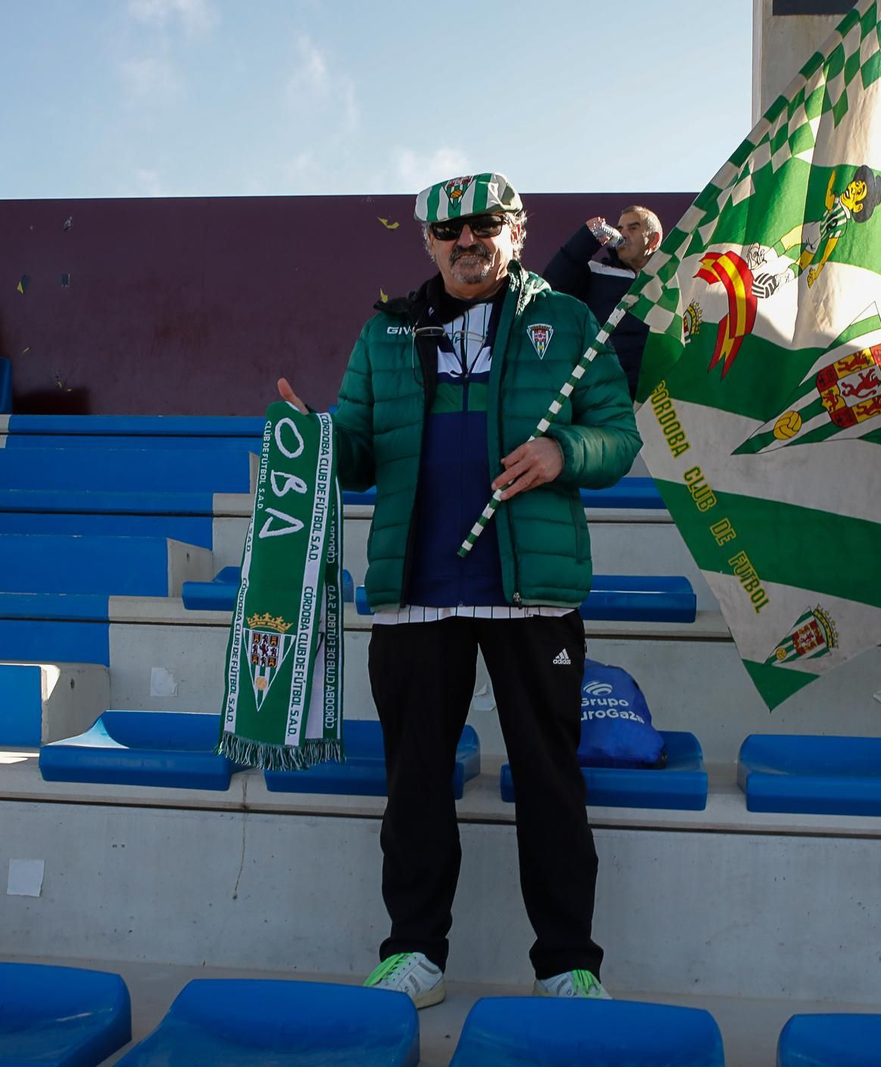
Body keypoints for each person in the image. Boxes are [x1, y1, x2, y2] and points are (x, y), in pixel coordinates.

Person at [278, 172, 641, 1007]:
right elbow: (361, 449)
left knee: (550, 781)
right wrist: (318, 440)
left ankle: (567, 961)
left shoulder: (568, 320)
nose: (465, 240)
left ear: (517, 230)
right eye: (448, 230)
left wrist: (563, 454)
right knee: (413, 784)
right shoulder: (386, 331)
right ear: (427, 241)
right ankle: (413, 951)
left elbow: (616, 438)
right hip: (416, 592)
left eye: (483, 225)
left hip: (532, 594)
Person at [542, 207, 663, 397]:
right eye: (620, 228)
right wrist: (584, 240)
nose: (623, 233)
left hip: (659, 398)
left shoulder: (671, 281)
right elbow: (553, 286)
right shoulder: (596, 272)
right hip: (605, 393)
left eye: (633, 228)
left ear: (654, 240)